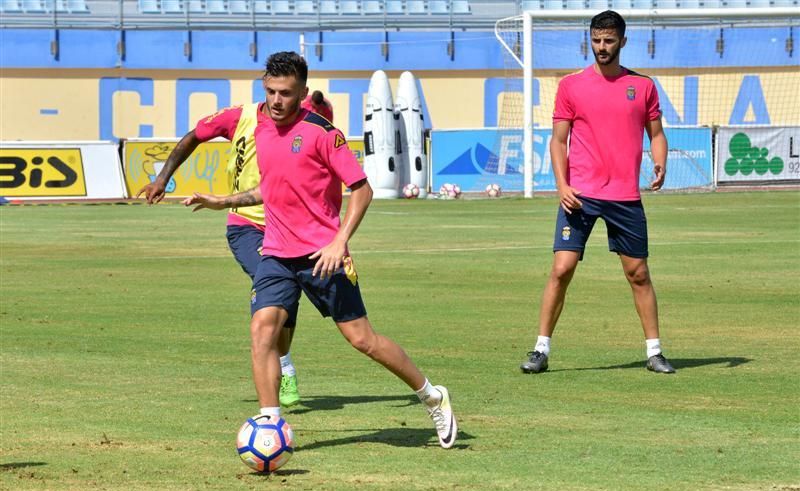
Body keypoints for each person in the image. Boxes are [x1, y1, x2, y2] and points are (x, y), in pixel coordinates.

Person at [183, 51, 457, 449]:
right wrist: (223, 202)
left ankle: (432, 395)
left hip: (322, 255)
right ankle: (271, 424)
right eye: (271, 91)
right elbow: (273, 188)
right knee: (262, 332)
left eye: (286, 94)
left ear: (303, 92)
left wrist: (339, 241)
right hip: (275, 252)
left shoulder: (323, 133)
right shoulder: (260, 128)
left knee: (364, 340)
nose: (277, 101)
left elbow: (361, 190)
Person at [520, 10, 675, 375]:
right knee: (562, 268)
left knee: (638, 273)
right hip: (581, 195)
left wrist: (660, 162)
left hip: (625, 196)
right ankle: (540, 349)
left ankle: (654, 352)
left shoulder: (644, 86)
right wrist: (562, 185)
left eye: (608, 41)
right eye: (596, 41)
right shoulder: (571, 86)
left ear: (623, 41)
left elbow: (656, 134)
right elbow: (558, 142)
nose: (601, 48)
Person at [136, 100, 307, 407]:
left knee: (288, 292)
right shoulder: (238, 117)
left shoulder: (300, 125)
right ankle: (282, 371)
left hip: (286, 227)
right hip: (245, 225)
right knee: (273, 283)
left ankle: (284, 361)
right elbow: (193, 137)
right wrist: (162, 178)